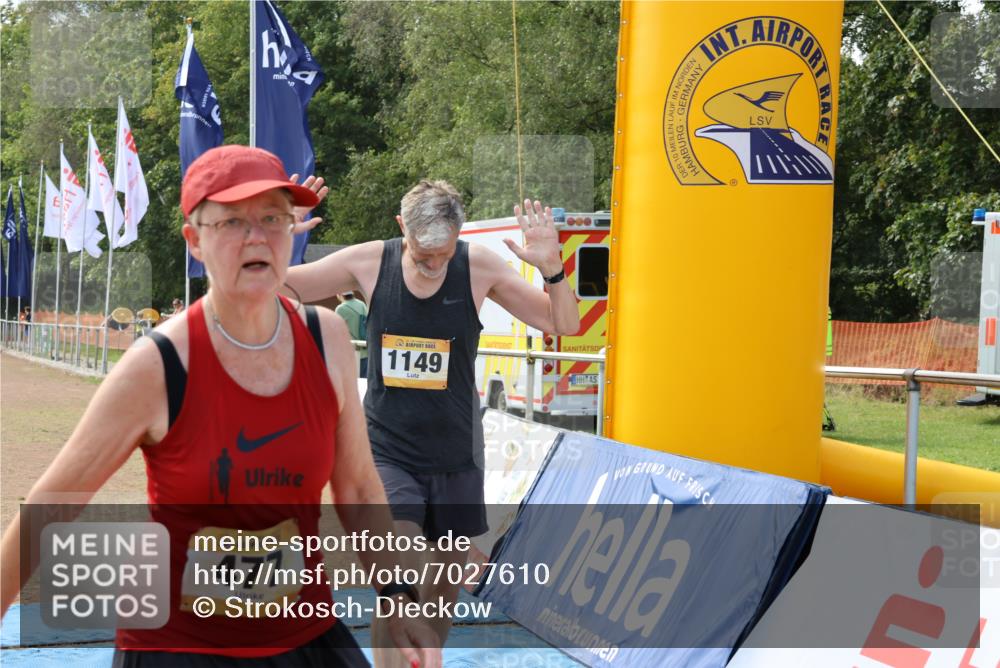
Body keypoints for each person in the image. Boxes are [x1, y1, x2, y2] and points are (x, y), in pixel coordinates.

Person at [0, 146, 441, 668]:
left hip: (303, 639)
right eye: (232, 221)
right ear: (195, 242)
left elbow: (360, 487)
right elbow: (50, 505)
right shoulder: (158, 366)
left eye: (273, 219)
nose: (257, 237)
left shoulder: (328, 341)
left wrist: (395, 593)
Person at [285, 179, 580, 667]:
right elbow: (273, 287)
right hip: (387, 452)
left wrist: (552, 269)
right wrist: (278, 242)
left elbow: (561, 324)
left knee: (440, 595)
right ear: (402, 228)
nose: (432, 266)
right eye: (422, 255)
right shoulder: (369, 261)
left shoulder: (478, 267)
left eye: (443, 255)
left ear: (459, 237)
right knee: (397, 575)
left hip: (457, 456)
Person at [335, 292, 368, 377]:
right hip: (365, 351)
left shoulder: (341, 308)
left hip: (350, 353)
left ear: (340, 295)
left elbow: (336, 330)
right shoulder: (362, 304)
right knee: (364, 383)